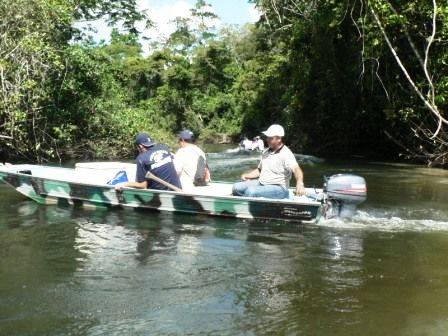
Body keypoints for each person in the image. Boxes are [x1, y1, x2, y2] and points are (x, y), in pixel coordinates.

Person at [232, 124, 305, 199]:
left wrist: (300, 183)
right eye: (267, 137)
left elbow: (296, 169)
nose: (267, 139)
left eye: (271, 138)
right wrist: (247, 175)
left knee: (251, 191)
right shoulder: (266, 151)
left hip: (280, 188)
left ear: (279, 139)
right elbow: (259, 170)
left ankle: (243, 205)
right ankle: (247, 200)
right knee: (236, 187)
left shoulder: (286, 153)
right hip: (262, 183)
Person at [115, 132, 181, 191]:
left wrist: (124, 184)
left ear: (140, 146)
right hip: (179, 191)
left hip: (161, 196)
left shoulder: (141, 159)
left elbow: (143, 186)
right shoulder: (164, 148)